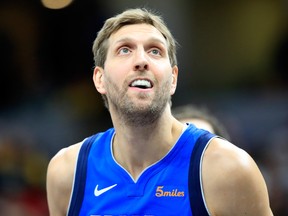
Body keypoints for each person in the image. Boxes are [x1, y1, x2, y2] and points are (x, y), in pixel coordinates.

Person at [46, 8, 273, 216]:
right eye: (124, 50)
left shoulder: (229, 170)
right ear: (100, 79)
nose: (141, 60)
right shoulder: (69, 173)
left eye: (155, 51)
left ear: (173, 79)